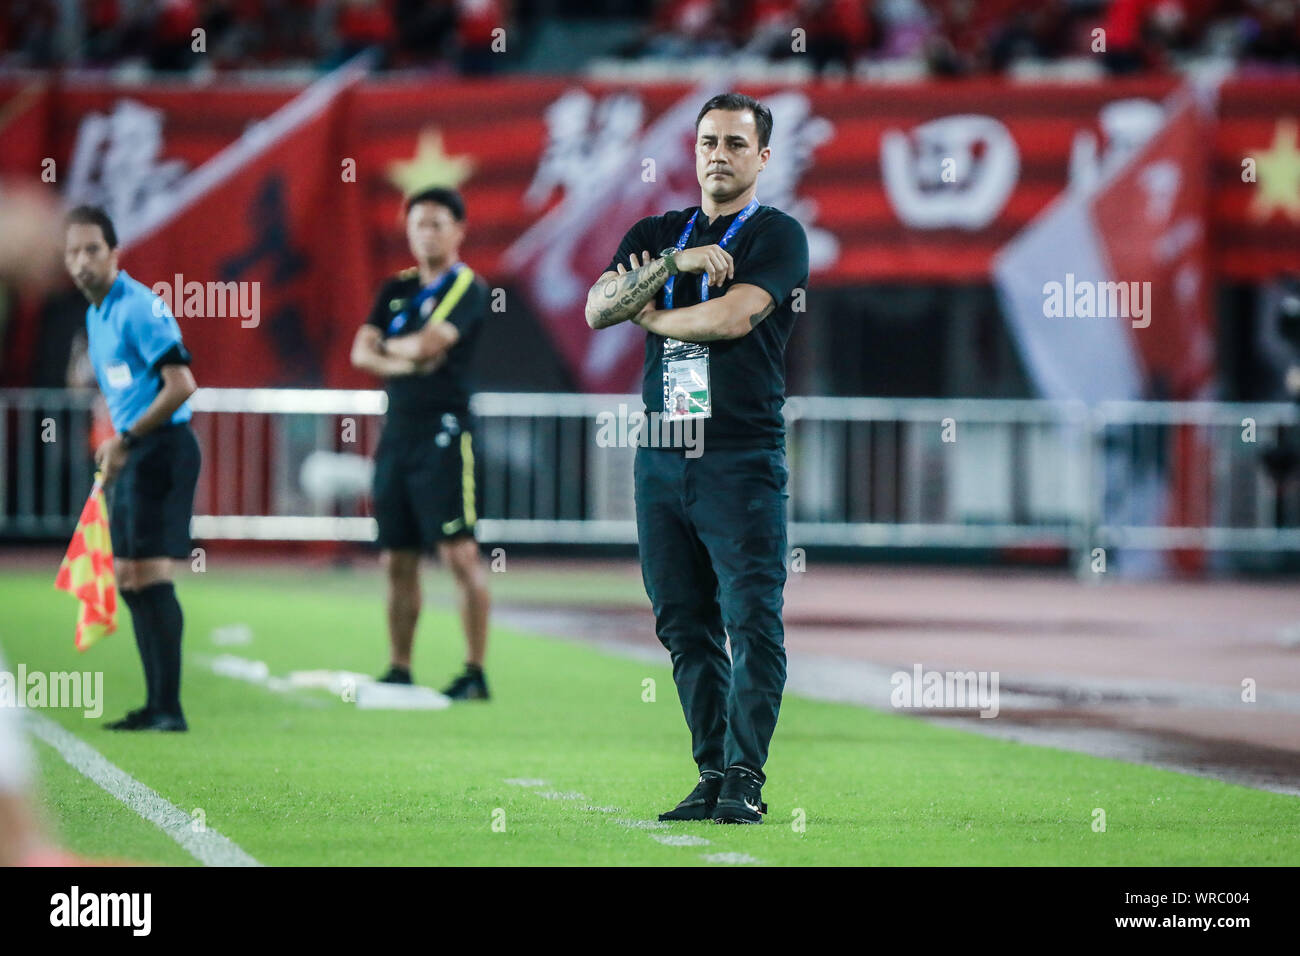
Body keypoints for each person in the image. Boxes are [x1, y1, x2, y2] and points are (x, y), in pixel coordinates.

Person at [585, 93, 809, 823]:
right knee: (683, 624)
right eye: (709, 141)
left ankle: (746, 775)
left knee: (752, 620)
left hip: (739, 456)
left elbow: (733, 316)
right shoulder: (658, 233)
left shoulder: (777, 234)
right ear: (694, 150)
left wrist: (651, 313)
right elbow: (597, 308)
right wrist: (673, 263)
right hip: (662, 455)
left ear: (762, 158)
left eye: (736, 144)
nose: (720, 154)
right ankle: (712, 771)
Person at [350, 187, 493, 701]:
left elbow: (430, 345)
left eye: (436, 223)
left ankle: (474, 671)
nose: (426, 233)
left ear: (458, 230)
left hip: (445, 432)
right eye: (417, 224)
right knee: (397, 557)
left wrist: (392, 350)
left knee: (459, 553)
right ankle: (399, 666)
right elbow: (360, 352)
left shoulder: (467, 286)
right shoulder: (395, 287)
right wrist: (403, 357)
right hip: (398, 432)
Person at [64, 205, 200, 732]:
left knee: (150, 575)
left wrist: (127, 440)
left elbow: (182, 385)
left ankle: (170, 708)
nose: (82, 262)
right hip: (133, 451)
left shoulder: (139, 306)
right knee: (127, 577)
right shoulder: (95, 316)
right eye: (72, 252)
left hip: (162, 449)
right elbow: (119, 390)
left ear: (115, 254)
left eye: (92, 250)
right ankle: (155, 704)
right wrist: (118, 444)